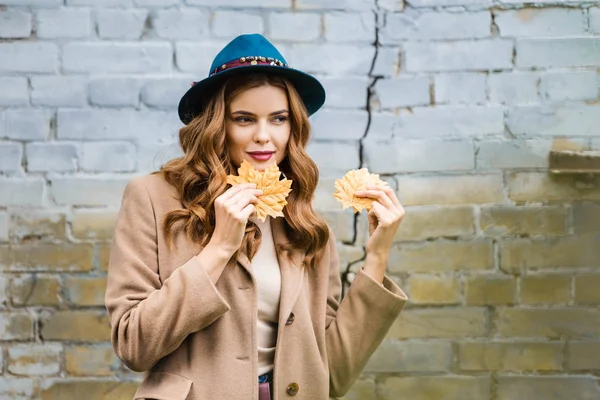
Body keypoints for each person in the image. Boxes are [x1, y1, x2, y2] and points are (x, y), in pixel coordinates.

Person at [105, 33, 408, 400]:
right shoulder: (151, 198)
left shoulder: (305, 223)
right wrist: (217, 249)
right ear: (218, 125)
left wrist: (376, 257)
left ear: (292, 126)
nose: (264, 136)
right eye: (244, 119)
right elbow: (133, 346)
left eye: (277, 119)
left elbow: (332, 376)